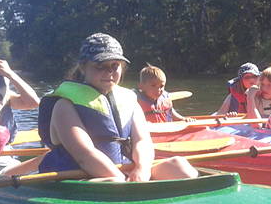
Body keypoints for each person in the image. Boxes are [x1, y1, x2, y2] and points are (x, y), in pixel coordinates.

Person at [37, 33, 197, 181]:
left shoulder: (129, 100)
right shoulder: (64, 106)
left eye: (115, 65)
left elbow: (142, 140)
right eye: (100, 65)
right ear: (83, 67)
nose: (109, 72)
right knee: (112, 180)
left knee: (181, 167)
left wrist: (142, 169)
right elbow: (84, 155)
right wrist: (122, 181)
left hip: (124, 171)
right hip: (83, 175)